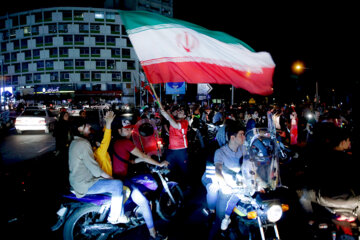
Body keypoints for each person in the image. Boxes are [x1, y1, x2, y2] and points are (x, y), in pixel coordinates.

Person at [112, 119, 169, 240]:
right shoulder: (125, 142)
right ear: (119, 130)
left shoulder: (116, 142)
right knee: (144, 202)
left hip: (119, 177)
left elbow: (131, 161)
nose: (129, 131)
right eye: (126, 129)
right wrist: (159, 164)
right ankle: (153, 234)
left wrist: (144, 159)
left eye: (130, 128)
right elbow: (141, 155)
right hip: (122, 180)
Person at [68, 120, 128, 225]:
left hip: (77, 180)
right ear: (79, 129)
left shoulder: (74, 142)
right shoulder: (83, 143)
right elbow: (95, 170)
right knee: (117, 184)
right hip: (85, 183)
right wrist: (110, 178)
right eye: (86, 125)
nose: (89, 126)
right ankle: (115, 217)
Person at [207, 122, 246, 238]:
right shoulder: (220, 152)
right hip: (228, 190)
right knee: (220, 219)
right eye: (242, 134)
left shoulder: (243, 149)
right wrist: (224, 185)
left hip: (243, 189)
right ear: (232, 137)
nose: (244, 137)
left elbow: (253, 163)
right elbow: (218, 170)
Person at [159, 105, 190, 189]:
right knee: (167, 168)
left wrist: (166, 115)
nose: (179, 112)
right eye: (179, 111)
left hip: (181, 150)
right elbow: (167, 114)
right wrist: (162, 108)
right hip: (171, 150)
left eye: (181, 112)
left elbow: (175, 125)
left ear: (184, 116)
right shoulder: (174, 119)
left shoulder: (184, 122)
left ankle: (186, 187)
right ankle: (169, 187)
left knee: (184, 170)